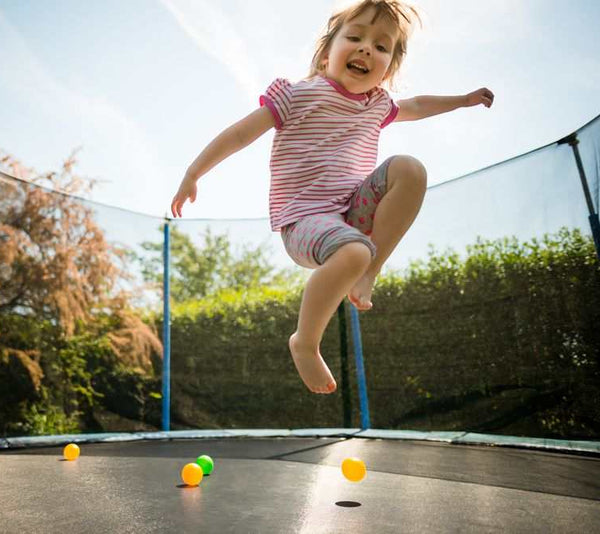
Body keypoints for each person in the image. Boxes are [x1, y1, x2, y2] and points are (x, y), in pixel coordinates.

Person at [170, 0, 494, 395]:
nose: (365, 49)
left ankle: (368, 274)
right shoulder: (297, 95)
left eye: (380, 46)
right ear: (326, 55)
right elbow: (241, 133)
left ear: (388, 70)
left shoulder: (378, 105)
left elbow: (418, 104)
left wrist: (462, 100)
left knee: (410, 169)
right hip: (303, 220)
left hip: (351, 212)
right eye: (355, 38)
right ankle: (304, 341)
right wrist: (193, 172)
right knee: (355, 251)